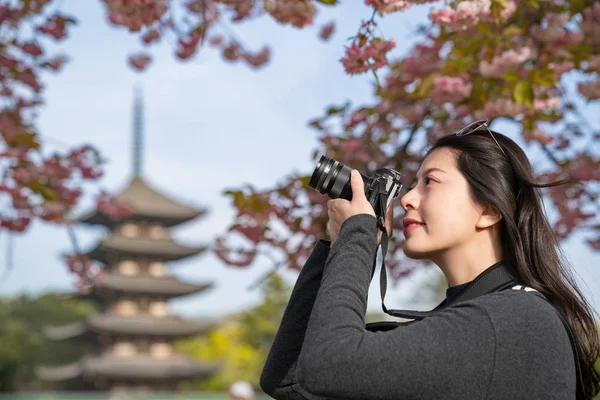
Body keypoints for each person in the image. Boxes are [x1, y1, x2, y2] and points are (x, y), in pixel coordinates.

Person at [259, 121, 600, 399]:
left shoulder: (519, 320)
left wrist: (359, 234)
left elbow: (329, 364)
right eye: (412, 185)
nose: (407, 198)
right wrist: (339, 244)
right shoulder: (479, 320)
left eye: (430, 182)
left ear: (489, 210)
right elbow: (288, 379)